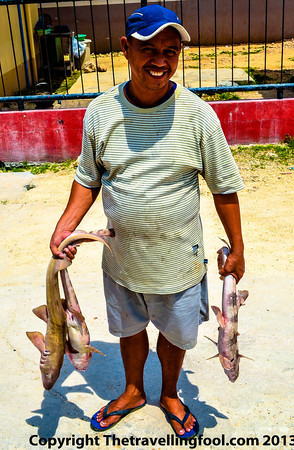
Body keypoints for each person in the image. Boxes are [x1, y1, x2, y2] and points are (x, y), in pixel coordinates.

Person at [50, 4, 245, 439]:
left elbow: (224, 188)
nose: (160, 60)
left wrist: (238, 246)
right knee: (129, 329)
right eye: (148, 48)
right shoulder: (100, 112)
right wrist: (66, 224)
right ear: (125, 48)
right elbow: (88, 179)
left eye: (170, 51)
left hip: (179, 259)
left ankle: (170, 393)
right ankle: (134, 389)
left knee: (175, 333)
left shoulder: (198, 115)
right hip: (122, 259)